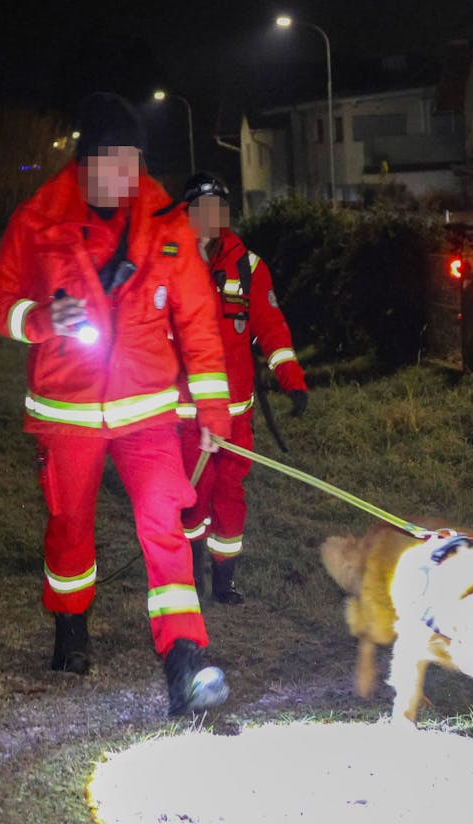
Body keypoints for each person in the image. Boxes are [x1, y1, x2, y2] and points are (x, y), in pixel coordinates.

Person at [0, 93, 234, 716]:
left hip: (148, 414)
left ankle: (184, 660)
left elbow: (199, 323)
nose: (126, 176)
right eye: (112, 162)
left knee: (164, 527)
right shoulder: (38, 220)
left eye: (135, 161)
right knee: (70, 529)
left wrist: (213, 416)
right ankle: (70, 626)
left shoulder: (168, 223)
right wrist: (39, 319)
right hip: (67, 413)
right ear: (84, 162)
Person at [170, 173, 309, 605]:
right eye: (202, 208)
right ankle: (189, 574)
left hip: (236, 415)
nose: (210, 217)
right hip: (187, 412)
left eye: (218, 208)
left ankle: (224, 581)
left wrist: (292, 379)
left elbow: (271, 327)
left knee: (230, 495)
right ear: (188, 211)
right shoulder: (169, 258)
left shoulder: (248, 266)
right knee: (194, 498)